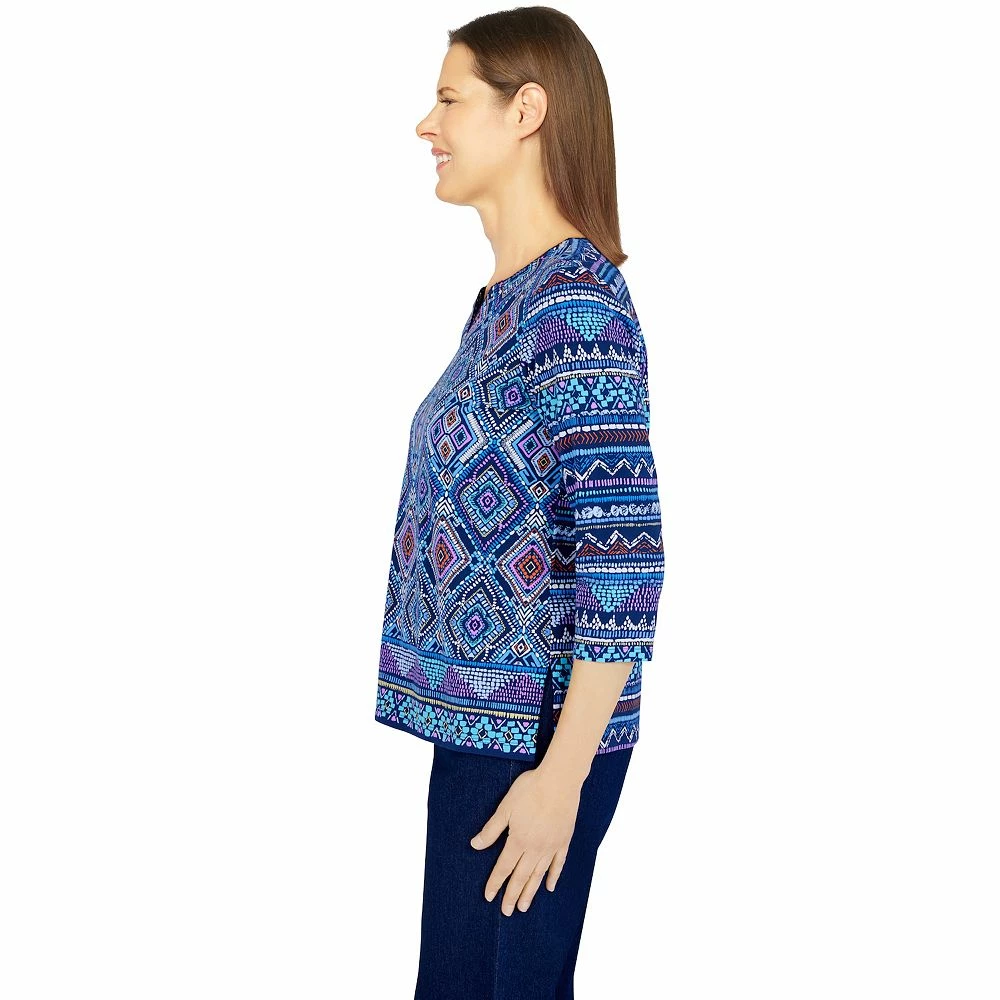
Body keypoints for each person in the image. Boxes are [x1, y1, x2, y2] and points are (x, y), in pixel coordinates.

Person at [373, 8, 665, 998]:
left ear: (526, 109)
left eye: (450, 99)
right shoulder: (507, 302)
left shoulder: (573, 305)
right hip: (485, 737)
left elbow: (626, 559)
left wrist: (561, 777)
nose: (427, 124)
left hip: (537, 742)